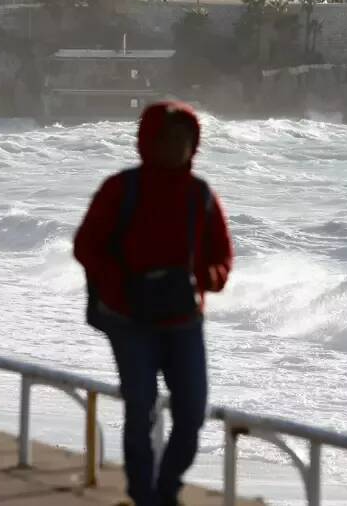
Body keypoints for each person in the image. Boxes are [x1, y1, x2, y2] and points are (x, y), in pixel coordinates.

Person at [74, 103, 234, 506]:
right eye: (167, 138)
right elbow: (86, 245)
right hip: (131, 320)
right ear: (148, 141)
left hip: (184, 319)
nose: (176, 147)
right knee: (140, 406)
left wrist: (206, 279)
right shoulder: (121, 189)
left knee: (192, 412)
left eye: (184, 139)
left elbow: (222, 256)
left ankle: (167, 488)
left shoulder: (200, 195)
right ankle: (144, 496)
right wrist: (118, 286)